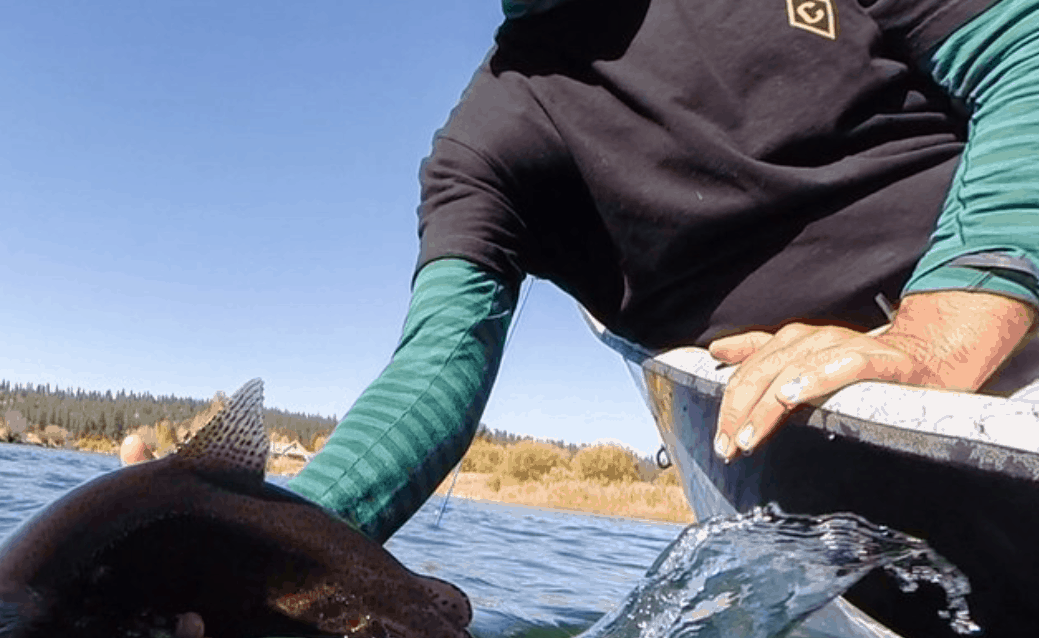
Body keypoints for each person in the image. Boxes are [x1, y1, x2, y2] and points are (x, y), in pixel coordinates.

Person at [285, 0, 1039, 544]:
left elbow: (1024, 46)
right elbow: (434, 364)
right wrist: (260, 546)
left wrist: (948, 321)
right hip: (798, 415)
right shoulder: (484, 151)